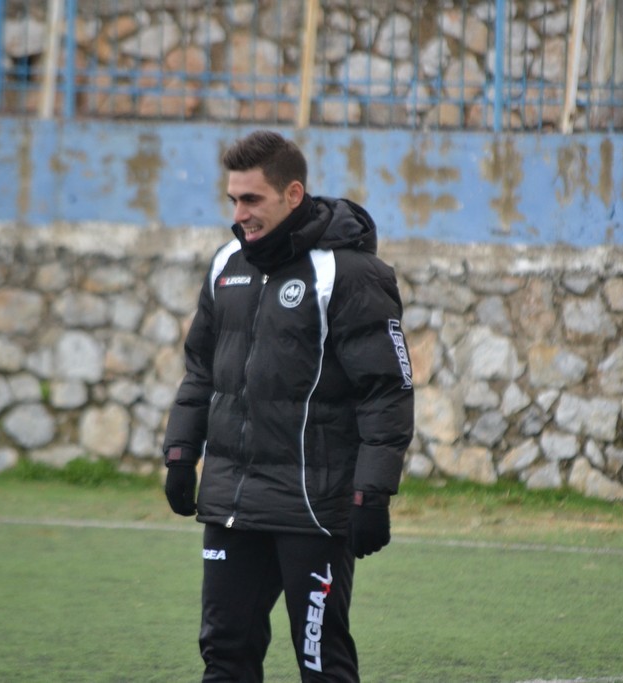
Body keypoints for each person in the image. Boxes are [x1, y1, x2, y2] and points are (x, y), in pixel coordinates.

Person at [161, 130, 414, 682]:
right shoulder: (226, 264)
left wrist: (373, 492)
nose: (239, 214)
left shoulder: (349, 274)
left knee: (321, 664)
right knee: (224, 656)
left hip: (312, 507)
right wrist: (181, 452)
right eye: (233, 199)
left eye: (252, 199)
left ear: (293, 194)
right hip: (232, 503)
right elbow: (201, 371)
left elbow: (385, 389)